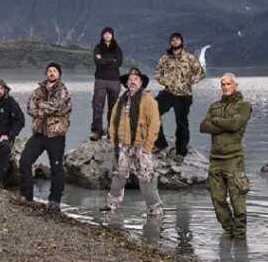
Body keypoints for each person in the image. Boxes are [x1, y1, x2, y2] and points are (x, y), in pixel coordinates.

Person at [102, 68, 163, 217]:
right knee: (119, 174)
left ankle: (154, 208)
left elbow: (155, 124)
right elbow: (113, 121)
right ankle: (111, 205)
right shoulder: (121, 100)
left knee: (147, 177)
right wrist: (113, 140)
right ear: (126, 83)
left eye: (135, 79)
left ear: (141, 83)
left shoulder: (148, 100)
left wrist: (148, 146)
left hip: (141, 145)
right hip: (123, 144)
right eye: (130, 79)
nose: (132, 82)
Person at [200, 73, 252, 239]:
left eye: (229, 84)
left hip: (234, 158)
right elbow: (203, 126)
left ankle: (240, 236)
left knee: (237, 199)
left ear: (235, 85)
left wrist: (215, 121)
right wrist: (225, 124)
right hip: (215, 159)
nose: (225, 87)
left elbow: (235, 125)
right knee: (217, 199)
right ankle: (229, 230)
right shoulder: (214, 106)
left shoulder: (244, 106)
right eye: (223, 84)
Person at [16, 63, 72, 212]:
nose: (51, 73)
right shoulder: (38, 90)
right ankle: (26, 195)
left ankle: (54, 201)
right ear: (46, 73)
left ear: (59, 74)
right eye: (49, 71)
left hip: (56, 134)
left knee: (56, 168)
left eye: (54, 71)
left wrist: (41, 105)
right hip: (39, 133)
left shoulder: (63, 90)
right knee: (24, 161)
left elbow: (57, 106)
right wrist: (44, 108)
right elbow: (30, 108)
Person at [153, 32, 205, 162]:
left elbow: (200, 73)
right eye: (172, 40)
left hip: (184, 94)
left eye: (177, 40)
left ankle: (181, 152)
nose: (175, 42)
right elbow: (157, 73)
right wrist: (166, 82)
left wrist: (189, 82)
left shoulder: (190, 57)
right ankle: (160, 143)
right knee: (153, 111)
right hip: (168, 92)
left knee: (181, 122)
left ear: (181, 41)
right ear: (170, 43)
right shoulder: (165, 58)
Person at [90, 27, 123, 141]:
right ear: (102, 35)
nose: (107, 35)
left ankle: (111, 130)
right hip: (100, 80)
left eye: (109, 33)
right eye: (105, 33)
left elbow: (119, 63)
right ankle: (96, 131)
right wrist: (111, 60)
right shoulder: (98, 47)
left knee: (113, 107)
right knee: (97, 106)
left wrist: (104, 60)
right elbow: (97, 61)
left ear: (112, 35)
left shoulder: (117, 48)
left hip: (115, 80)